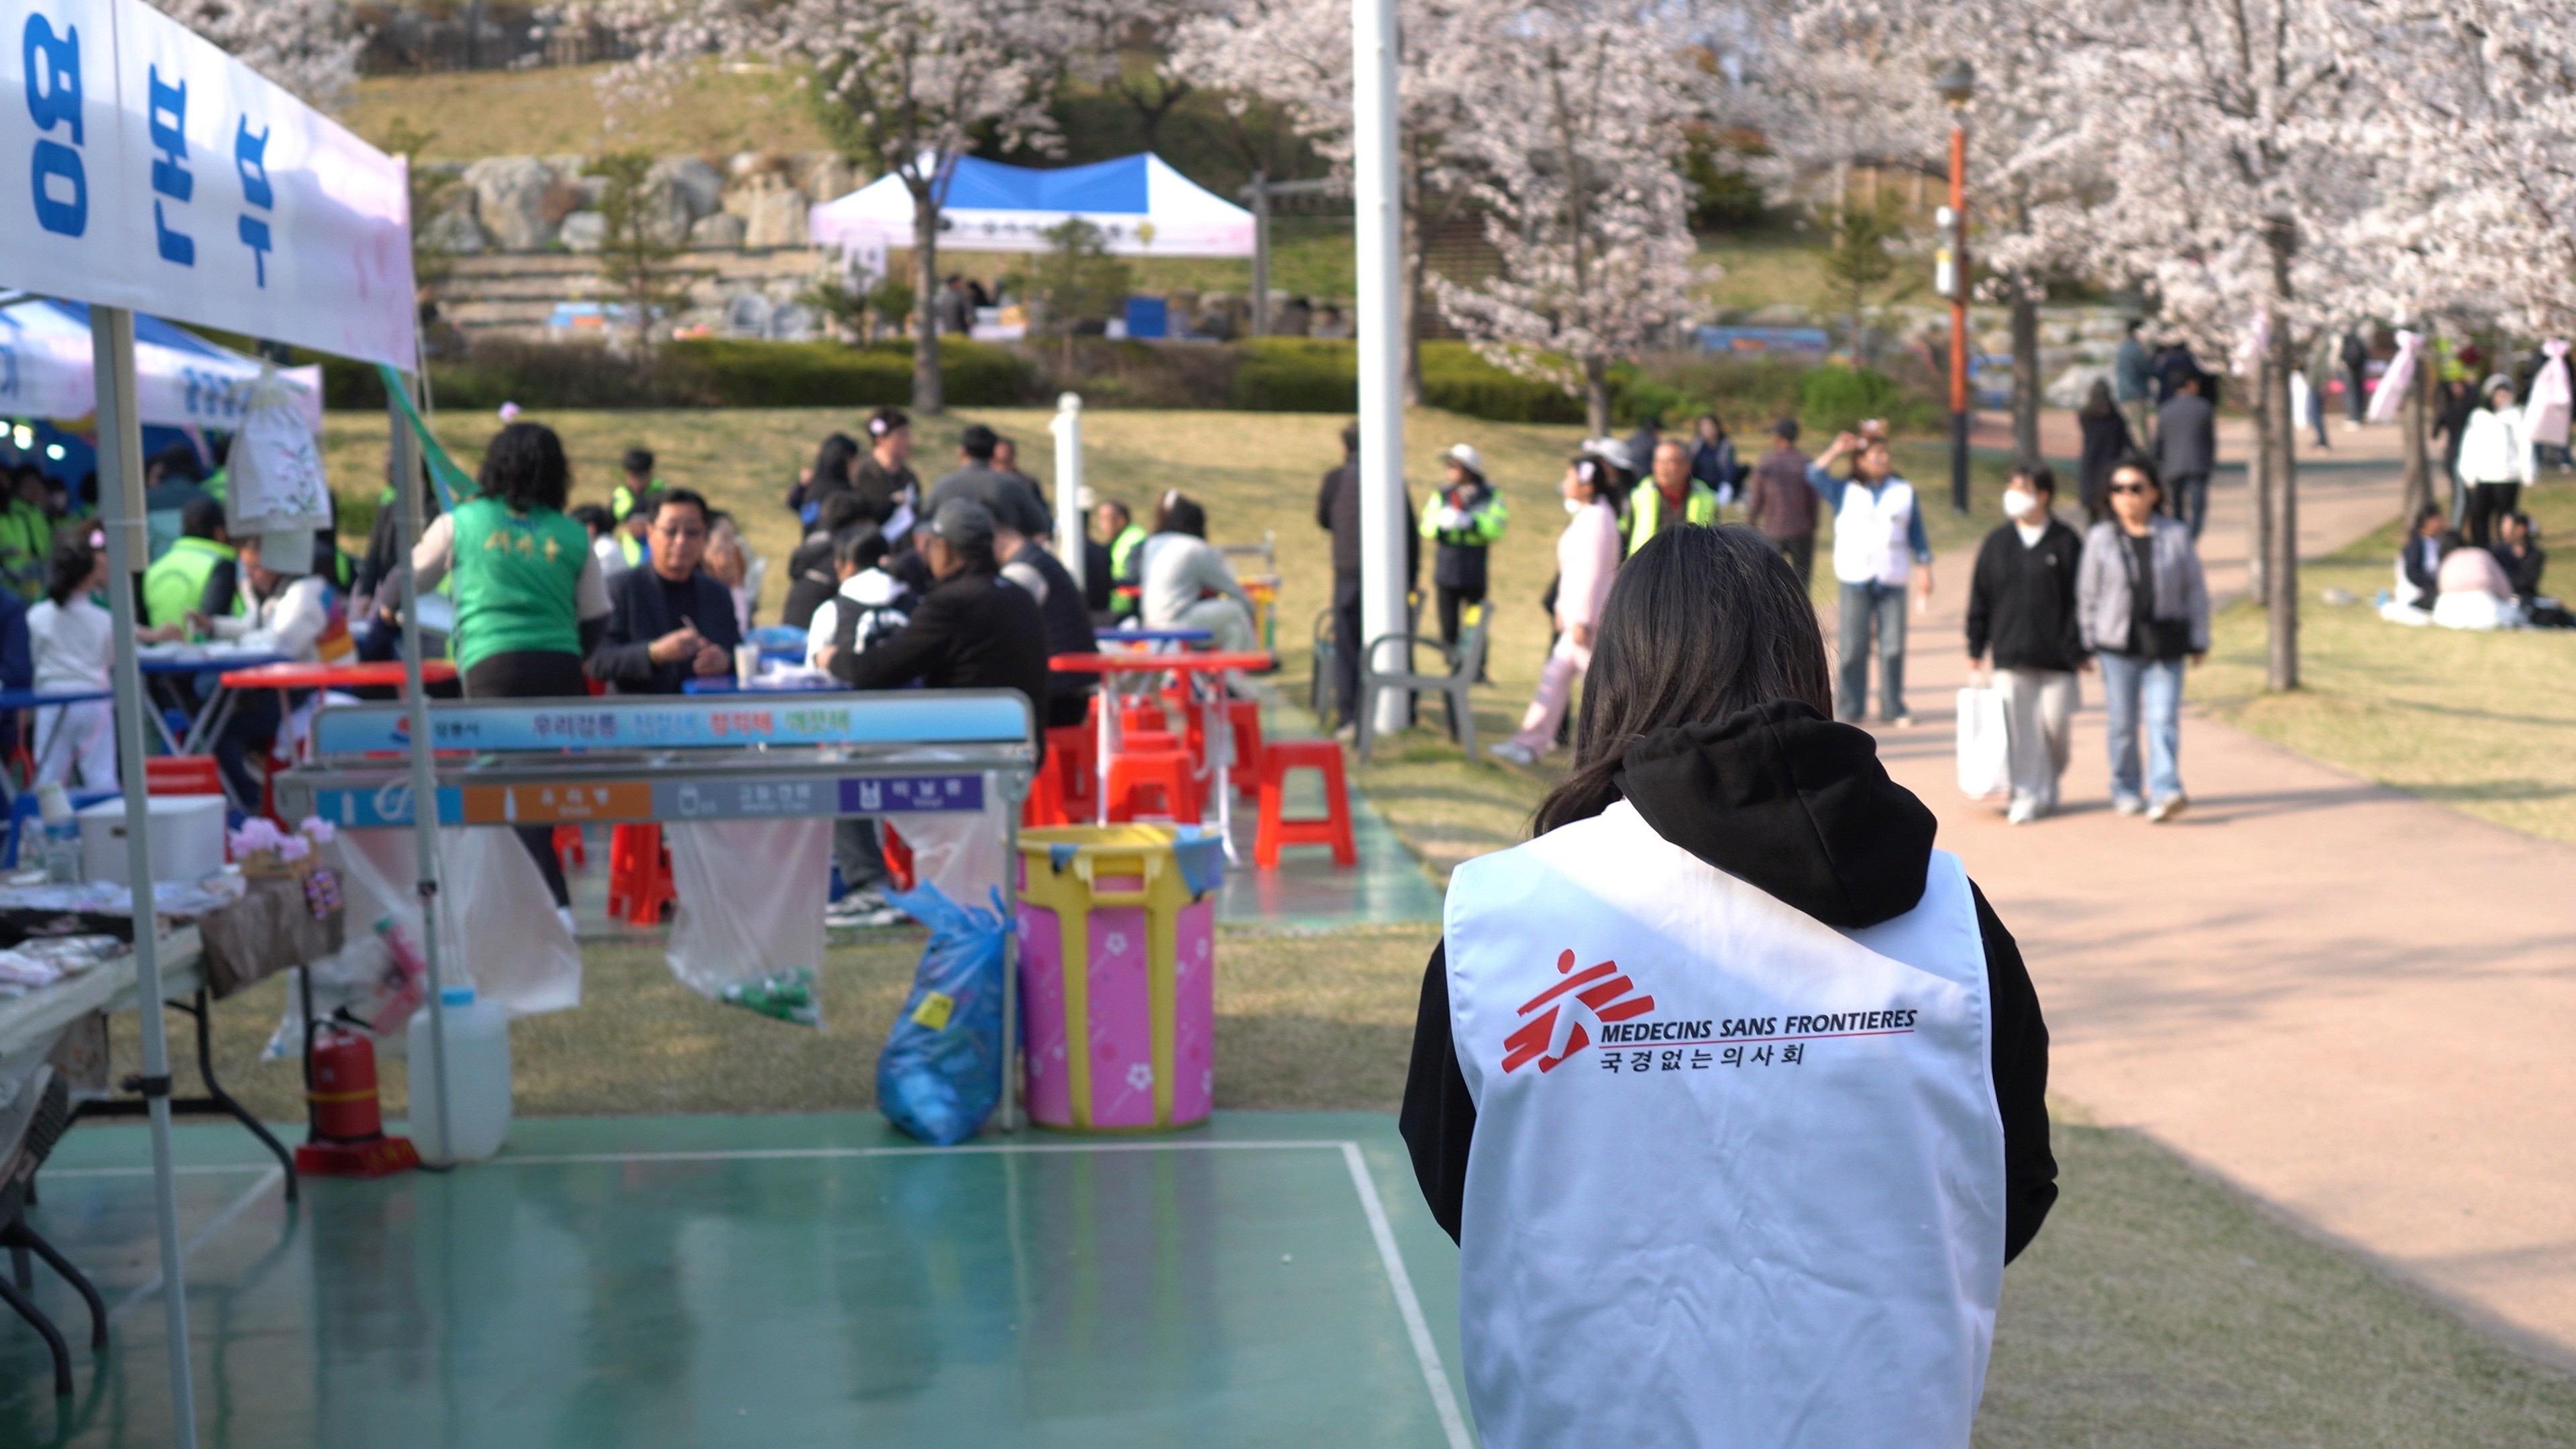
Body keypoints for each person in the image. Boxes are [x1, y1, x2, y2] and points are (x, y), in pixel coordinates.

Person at [1399, 523, 2055, 1449]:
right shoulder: (1951, 918)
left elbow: (1463, 1184)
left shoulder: (1507, 915)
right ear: (1807, 668)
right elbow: (2007, 1188)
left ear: (1616, 682)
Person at [413, 422, 613, 920]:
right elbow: (597, 615)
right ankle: (543, 907)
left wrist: (386, 602)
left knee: (503, 790)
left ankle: (549, 907)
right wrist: (570, 654)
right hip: (559, 670)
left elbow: (410, 577)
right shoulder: (571, 534)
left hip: (493, 669)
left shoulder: (462, 522)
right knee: (535, 792)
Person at [819, 500, 1050, 757]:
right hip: (1024, 750)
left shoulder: (952, 603)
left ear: (944, 548)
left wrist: (832, 659)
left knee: (854, 755)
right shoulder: (1020, 596)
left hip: (967, 751)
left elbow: (876, 671)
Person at [2078, 457, 2209, 822]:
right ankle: (2126, 787)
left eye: (2136, 488)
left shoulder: (2176, 535)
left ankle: (2165, 790)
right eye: (2119, 489)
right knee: (2122, 725)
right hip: (2117, 646)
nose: (2128, 496)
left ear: (2154, 492)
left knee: (2163, 719)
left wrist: (2199, 638)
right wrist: (2086, 642)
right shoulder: (2101, 538)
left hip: (2165, 644)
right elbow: (2088, 594)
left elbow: (2194, 590)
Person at [802, 523, 914, 927]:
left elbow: (812, 681)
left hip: (857, 742)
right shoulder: (916, 602)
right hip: (923, 736)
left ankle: (867, 884)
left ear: (843, 565)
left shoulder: (832, 610)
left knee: (831, 769)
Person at [1966, 465, 2089, 824]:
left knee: (2055, 729)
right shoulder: (1997, 543)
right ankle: (2025, 793)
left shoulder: (2067, 542)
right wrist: (1976, 648)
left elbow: (2081, 600)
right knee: (2019, 732)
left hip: (2058, 658)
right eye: (2011, 486)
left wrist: (2079, 649)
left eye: (2022, 488)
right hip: (2010, 653)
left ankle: (2047, 783)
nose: (2013, 494)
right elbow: (1981, 597)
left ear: (2043, 496)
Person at [197, 531, 356, 803]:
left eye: (255, 567)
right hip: (306, 685)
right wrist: (216, 627)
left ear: (277, 563)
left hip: (319, 689)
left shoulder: (304, 595)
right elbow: (258, 630)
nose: (250, 575)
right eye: (246, 568)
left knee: (221, 728)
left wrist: (236, 640)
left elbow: (281, 646)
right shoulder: (293, 591)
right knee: (219, 718)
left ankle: (249, 802)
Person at [1489, 455, 1621, 767]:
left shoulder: (1598, 520)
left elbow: (1594, 572)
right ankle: (1530, 743)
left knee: (1602, 688)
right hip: (1578, 620)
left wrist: (1583, 618)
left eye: (1570, 477)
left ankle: (1615, 748)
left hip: (1588, 623)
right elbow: (1572, 571)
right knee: (1559, 678)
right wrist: (1564, 609)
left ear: (1587, 484)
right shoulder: (1590, 516)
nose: (1565, 483)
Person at [30, 531, 184, 787]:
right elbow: (114, 658)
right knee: (101, 779)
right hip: (93, 700)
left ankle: (43, 817)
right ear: (90, 575)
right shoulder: (103, 620)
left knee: (48, 780)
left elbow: (33, 657)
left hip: (50, 700)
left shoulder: (36, 616)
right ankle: (107, 816)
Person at [1806, 430, 1933, 726]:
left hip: (1891, 576)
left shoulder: (1903, 491)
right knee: (1853, 646)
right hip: (1856, 577)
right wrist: (1836, 448)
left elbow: (1917, 533)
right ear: (1860, 461)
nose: (1882, 459)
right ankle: (1850, 707)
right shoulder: (1845, 490)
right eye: (1875, 454)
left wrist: (1925, 569)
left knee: (1893, 646)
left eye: (1885, 454)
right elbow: (1813, 474)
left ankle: (1893, 707)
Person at [588, 488, 743, 696]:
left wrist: (726, 661)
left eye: (692, 532)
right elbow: (597, 661)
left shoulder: (717, 594)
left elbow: (739, 652)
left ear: (704, 536)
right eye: (671, 531)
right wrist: (654, 653)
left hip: (703, 710)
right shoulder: (621, 589)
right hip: (640, 710)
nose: (681, 541)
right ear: (650, 533)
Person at [1315, 422, 1418, 732]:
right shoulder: (1391, 478)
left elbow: (1323, 519)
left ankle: (1349, 716)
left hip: (1347, 572)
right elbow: (1410, 533)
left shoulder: (1335, 479)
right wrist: (1409, 580)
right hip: (1389, 579)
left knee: (1346, 646)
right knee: (1393, 642)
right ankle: (1401, 709)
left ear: (1344, 447)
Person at [994, 519, 1099, 728]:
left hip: (1057, 693)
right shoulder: (1038, 560)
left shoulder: (1022, 570)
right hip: (1070, 687)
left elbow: (1000, 625)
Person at [1140, 492, 1258, 653]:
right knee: (1236, 610)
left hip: (1151, 621)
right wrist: (1252, 611)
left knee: (1233, 629)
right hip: (1176, 621)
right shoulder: (1194, 547)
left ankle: (1234, 668)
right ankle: (1250, 662)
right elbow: (1231, 588)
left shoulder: (1153, 544)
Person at [1419, 444, 1509, 653]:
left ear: (1469, 470)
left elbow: (1497, 528)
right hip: (1447, 566)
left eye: (1454, 466)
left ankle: (1476, 664)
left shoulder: (1489, 495)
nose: (1449, 470)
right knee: (1448, 622)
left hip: (1474, 566)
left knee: (1475, 620)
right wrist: (1441, 526)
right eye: (1448, 465)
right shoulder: (1442, 494)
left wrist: (1473, 523)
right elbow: (1426, 525)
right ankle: (1451, 662)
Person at [925, 424, 1050, 539]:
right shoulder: (1012, 485)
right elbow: (1041, 524)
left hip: (953, 552)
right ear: (993, 452)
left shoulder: (943, 486)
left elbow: (925, 524)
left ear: (962, 451)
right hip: (1000, 552)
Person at [2455, 373, 2534, 547]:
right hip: (2484, 476)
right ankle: (2482, 548)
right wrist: (2468, 473)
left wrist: (2527, 471)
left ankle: (2504, 550)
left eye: (2505, 393)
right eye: (2498, 393)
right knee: (2479, 516)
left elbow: (2524, 444)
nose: (2501, 397)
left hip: (2508, 476)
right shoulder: (2479, 417)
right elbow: (2469, 446)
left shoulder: (2515, 416)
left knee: (2505, 518)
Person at [1741, 419, 1818, 586]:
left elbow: (1757, 498)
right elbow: (1813, 499)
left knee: (1770, 582)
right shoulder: (1806, 463)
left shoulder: (1767, 463)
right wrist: (1812, 524)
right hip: (1801, 530)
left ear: (1777, 436)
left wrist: (1750, 522)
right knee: (1801, 582)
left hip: (1774, 530)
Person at [144, 496, 236, 632]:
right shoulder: (221, 565)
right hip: (208, 646)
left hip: (161, 645)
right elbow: (214, 623)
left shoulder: (154, 569)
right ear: (220, 532)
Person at [1624, 438, 1719, 557]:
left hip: (1692, 564)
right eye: (1659, 461)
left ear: (1687, 465)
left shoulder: (1706, 498)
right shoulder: (1639, 497)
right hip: (1647, 564)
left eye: (1669, 462)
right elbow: (1625, 536)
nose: (1662, 468)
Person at [2153, 373, 2217, 539]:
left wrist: (2158, 465)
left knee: (2177, 508)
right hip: (2198, 464)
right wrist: (2210, 462)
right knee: (2198, 507)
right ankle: (2191, 539)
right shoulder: (2204, 407)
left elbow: (2159, 442)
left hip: (2173, 466)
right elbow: (2210, 440)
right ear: (2190, 384)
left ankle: (2180, 538)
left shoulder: (2165, 410)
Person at [2432, 531, 2521, 631]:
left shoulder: (2448, 559)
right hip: (2483, 607)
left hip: (2446, 611)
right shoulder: (2482, 554)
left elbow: (2440, 587)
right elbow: (2505, 589)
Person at [2076, 378, 2134, 524]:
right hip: (2111, 467)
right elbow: (2127, 443)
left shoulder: (2085, 416)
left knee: (2092, 517)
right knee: (2112, 515)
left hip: (2091, 467)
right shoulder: (2115, 418)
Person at [851, 409, 919, 531]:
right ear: (881, 439)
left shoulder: (908, 477)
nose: (908, 442)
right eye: (901, 435)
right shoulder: (860, 473)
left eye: (908, 435)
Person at [790, 431, 861, 524]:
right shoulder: (845, 498)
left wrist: (801, 486)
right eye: (854, 461)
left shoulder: (812, 487)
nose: (857, 467)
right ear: (846, 461)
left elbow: (793, 503)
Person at [704, 510, 757, 635]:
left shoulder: (732, 578)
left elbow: (742, 634)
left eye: (734, 538)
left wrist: (736, 585)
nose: (732, 547)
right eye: (726, 538)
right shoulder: (694, 585)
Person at [2434, 377, 2479, 523]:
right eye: (2453, 386)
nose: (2456, 389)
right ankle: (2456, 528)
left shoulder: (2469, 408)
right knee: (2460, 497)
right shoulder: (2451, 409)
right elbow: (2435, 433)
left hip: (2469, 456)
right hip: (2455, 457)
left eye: (2460, 385)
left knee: (2470, 498)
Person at [1093, 495, 1142, 619]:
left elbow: (1134, 579)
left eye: (1105, 519)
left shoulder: (1134, 541)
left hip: (1128, 611)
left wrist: (1105, 583)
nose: (1101, 525)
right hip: (1118, 608)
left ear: (1121, 520)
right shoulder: (1120, 540)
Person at [2113, 319, 2156, 453]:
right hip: (2136, 394)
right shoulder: (2136, 350)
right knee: (2139, 430)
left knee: (2130, 429)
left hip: (2125, 393)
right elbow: (2150, 369)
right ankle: (2142, 459)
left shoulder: (2125, 348)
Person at [2394, 504, 2446, 613]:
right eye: (2438, 518)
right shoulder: (2416, 544)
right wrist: (2434, 588)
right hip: (2417, 594)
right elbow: (2413, 573)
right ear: (2428, 521)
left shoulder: (2437, 541)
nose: (2442, 521)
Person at [2492, 511, 2547, 606]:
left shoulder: (2535, 555)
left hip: (2526, 601)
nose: (2504, 532)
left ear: (2521, 529)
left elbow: (2527, 582)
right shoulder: (2497, 553)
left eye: (2509, 528)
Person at [1687, 414, 1737, 500]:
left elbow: (1729, 468)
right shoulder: (1696, 445)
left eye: (1710, 426)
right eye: (1703, 426)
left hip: (1719, 486)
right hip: (1697, 485)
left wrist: (1726, 486)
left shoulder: (1726, 445)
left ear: (1717, 427)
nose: (1707, 429)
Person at [612, 447, 658, 525]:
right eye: (633, 476)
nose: (637, 482)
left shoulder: (660, 491)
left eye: (641, 476)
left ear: (650, 474)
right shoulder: (621, 495)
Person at [1623, 413, 1663, 489]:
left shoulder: (1631, 440)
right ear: (1656, 430)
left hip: (1627, 479)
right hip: (1644, 481)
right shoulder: (1654, 444)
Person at [2340, 328, 2371, 427]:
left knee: (2352, 395)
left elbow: (2352, 356)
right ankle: (2358, 416)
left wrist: (2347, 363)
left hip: (2351, 371)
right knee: (2357, 394)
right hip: (2358, 371)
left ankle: (2354, 418)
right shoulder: (2358, 339)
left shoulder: (2350, 339)